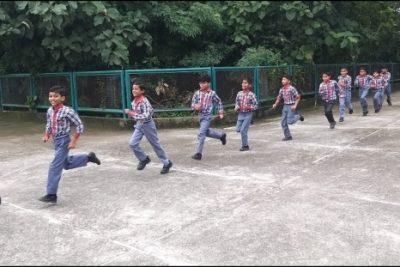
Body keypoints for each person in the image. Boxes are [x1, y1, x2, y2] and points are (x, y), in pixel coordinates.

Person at [40, 85, 101, 203]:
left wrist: (74, 140)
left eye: (55, 96)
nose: (52, 98)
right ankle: (88, 157)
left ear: (62, 98)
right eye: (50, 96)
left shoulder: (67, 111)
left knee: (54, 166)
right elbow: (49, 124)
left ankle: (51, 194)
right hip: (56, 141)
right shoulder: (49, 110)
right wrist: (47, 134)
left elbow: (79, 125)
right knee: (66, 164)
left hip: (64, 140)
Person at [125, 82, 173, 174]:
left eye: (136, 89)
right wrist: (134, 114)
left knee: (155, 145)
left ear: (142, 91)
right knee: (132, 143)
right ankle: (144, 159)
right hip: (140, 124)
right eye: (133, 88)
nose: (133, 90)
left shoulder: (144, 101)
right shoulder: (135, 101)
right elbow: (139, 115)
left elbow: (146, 115)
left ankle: (167, 163)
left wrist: (132, 113)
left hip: (148, 125)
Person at [191, 74, 226, 160]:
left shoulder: (212, 93)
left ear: (208, 83)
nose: (202, 85)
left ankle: (198, 153)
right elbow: (192, 104)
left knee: (201, 134)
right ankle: (221, 136)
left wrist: (220, 111)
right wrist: (196, 107)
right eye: (200, 83)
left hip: (207, 116)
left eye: (204, 83)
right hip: (200, 116)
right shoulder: (197, 93)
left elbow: (218, 101)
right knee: (206, 132)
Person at [272, 74, 304, 141]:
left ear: (288, 81)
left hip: (291, 106)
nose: (282, 81)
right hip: (285, 106)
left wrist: (295, 105)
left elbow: (298, 97)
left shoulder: (292, 88)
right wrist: (275, 104)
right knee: (283, 122)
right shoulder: (281, 89)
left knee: (290, 121)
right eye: (282, 79)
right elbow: (279, 98)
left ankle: (299, 116)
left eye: (284, 79)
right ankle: (288, 136)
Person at [234, 77, 258, 151]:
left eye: (245, 83)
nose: (243, 84)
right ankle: (247, 124)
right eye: (243, 82)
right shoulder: (239, 93)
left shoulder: (252, 95)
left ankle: (245, 146)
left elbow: (256, 105)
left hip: (248, 114)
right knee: (238, 129)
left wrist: (249, 107)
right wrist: (236, 107)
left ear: (249, 85)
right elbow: (237, 103)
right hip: (240, 114)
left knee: (243, 130)